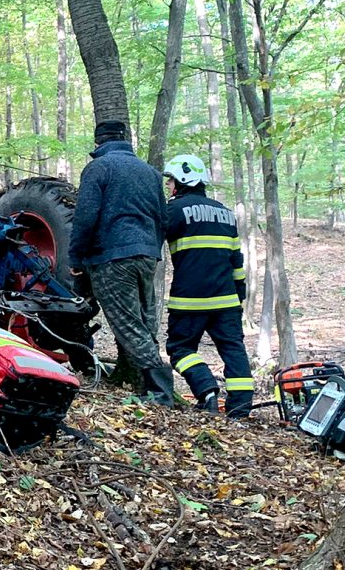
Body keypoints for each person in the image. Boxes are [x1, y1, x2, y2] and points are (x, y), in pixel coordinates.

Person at [68, 120, 175, 404]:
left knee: (129, 324)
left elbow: (85, 217)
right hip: (147, 255)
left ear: (97, 143)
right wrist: (151, 247)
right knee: (144, 321)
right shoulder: (151, 173)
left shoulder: (98, 168)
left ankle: (161, 391)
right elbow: (163, 219)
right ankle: (137, 379)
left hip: (112, 257)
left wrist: (75, 257)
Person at [163, 154, 253, 417]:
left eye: (171, 182)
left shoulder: (174, 210)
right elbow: (237, 260)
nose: (168, 186)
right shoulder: (226, 214)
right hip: (226, 300)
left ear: (182, 181)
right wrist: (240, 294)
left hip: (189, 301)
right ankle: (240, 409)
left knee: (180, 349)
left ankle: (206, 389)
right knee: (233, 349)